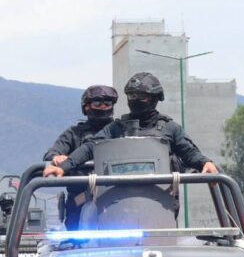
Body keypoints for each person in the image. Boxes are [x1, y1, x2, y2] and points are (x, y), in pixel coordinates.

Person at [43, 72, 217, 178]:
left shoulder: (170, 128)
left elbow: (189, 152)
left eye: (141, 96)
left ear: (155, 99)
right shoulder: (116, 128)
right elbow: (90, 147)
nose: (135, 101)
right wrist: (63, 167)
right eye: (131, 96)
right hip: (118, 199)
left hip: (160, 199)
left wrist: (205, 163)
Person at [43, 85, 119, 230]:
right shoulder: (74, 133)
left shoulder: (119, 130)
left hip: (115, 197)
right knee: (76, 243)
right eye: (97, 103)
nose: (103, 107)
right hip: (80, 200)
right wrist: (56, 157)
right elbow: (52, 152)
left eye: (107, 104)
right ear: (86, 106)